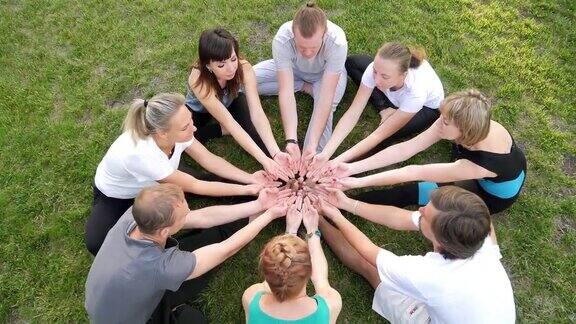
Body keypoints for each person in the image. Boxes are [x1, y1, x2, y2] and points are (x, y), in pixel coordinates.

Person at [86, 92, 268, 255]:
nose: (194, 129)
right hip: (115, 197)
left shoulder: (172, 132)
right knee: (97, 243)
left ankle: (248, 200)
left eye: (190, 121)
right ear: (163, 134)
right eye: (185, 127)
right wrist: (248, 190)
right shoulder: (143, 154)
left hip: (158, 181)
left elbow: (208, 159)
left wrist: (250, 179)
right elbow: (197, 186)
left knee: (206, 182)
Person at [85, 183, 290, 324]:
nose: (189, 213)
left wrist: (259, 205)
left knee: (201, 238)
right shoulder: (162, 267)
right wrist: (270, 215)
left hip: (105, 301)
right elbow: (227, 249)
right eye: (183, 216)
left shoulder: (136, 214)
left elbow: (201, 218)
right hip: (128, 318)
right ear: (164, 231)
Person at [317, 186, 516, 323]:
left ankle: (316, 220)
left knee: (370, 268)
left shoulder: (430, 275)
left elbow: (368, 251)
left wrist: (333, 216)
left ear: (441, 240)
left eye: (425, 216)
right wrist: (348, 204)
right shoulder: (481, 231)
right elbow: (403, 218)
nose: (419, 209)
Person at [331, 89, 526, 214]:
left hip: (489, 195)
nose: (439, 121)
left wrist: (358, 182)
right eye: (442, 116)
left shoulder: (476, 165)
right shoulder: (473, 122)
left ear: (464, 130)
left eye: (445, 121)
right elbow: (407, 149)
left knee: (412, 191)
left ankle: (337, 205)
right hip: (485, 160)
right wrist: (350, 168)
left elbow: (413, 172)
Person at [310, 41, 444, 170]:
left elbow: (378, 135)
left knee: (388, 134)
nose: (376, 80)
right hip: (395, 94)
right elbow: (353, 112)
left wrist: (337, 162)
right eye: (375, 71)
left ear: (403, 75)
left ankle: (346, 168)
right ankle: (384, 108)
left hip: (426, 109)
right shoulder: (377, 71)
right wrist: (325, 153)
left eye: (384, 76)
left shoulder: (417, 93)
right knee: (353, 63)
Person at [185, 28, 292, 179]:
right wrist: (263, 160)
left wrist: (274, 153)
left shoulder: (244, 68)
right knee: (185, 139)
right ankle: (220, 130)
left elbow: (257, 112)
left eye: (233, 59)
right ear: (208, 66)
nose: (231, 69)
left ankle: (278, 166)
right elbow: (230, 124)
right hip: (200, 110)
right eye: (221, 65)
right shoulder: (198, 79)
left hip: (231, 100)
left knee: (253, 130)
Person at [253, 1, 348, 167]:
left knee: (316, 147)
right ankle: (303, 86)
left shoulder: (337, 42)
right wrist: (291, 140)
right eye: (302, 47)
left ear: (324, 34)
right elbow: (285, 91)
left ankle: (310, 161)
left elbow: (326, 98)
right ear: (293, 34)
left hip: (325, 77)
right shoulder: (282, 39)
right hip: (293, 70)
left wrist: (311, 145)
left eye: (313, 47)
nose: (308, 52)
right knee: (246, 81)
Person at [242, 198, 341, 323]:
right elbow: (321, 281)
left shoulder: (251, 299)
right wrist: (312, 231)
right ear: (311, 271)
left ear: (265, 273)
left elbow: (270, 282)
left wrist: (290, 231)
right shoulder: (330, 306)